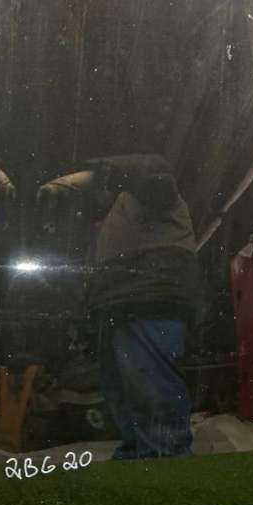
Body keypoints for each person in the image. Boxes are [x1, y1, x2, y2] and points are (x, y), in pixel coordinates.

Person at [38, 154, 200, 459]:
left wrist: (84, 176)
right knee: (120, 386)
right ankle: (138, 450)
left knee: (149, 383)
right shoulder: (119, 214)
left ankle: (166, 457)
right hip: (122, 303)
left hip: (149, 297)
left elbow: (153, 172)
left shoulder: (153, 191)